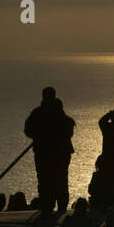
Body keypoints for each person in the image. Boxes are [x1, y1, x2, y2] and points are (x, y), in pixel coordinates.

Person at [24, 87, 76, 217]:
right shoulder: (60, 113)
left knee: (46, 180)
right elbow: (69, 129)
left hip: (46, 153)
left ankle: (48, 207)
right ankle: (59, 207)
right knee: (59, 180)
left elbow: (28, 130)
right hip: (58, 153)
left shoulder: (38, 113)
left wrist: (40, 136)